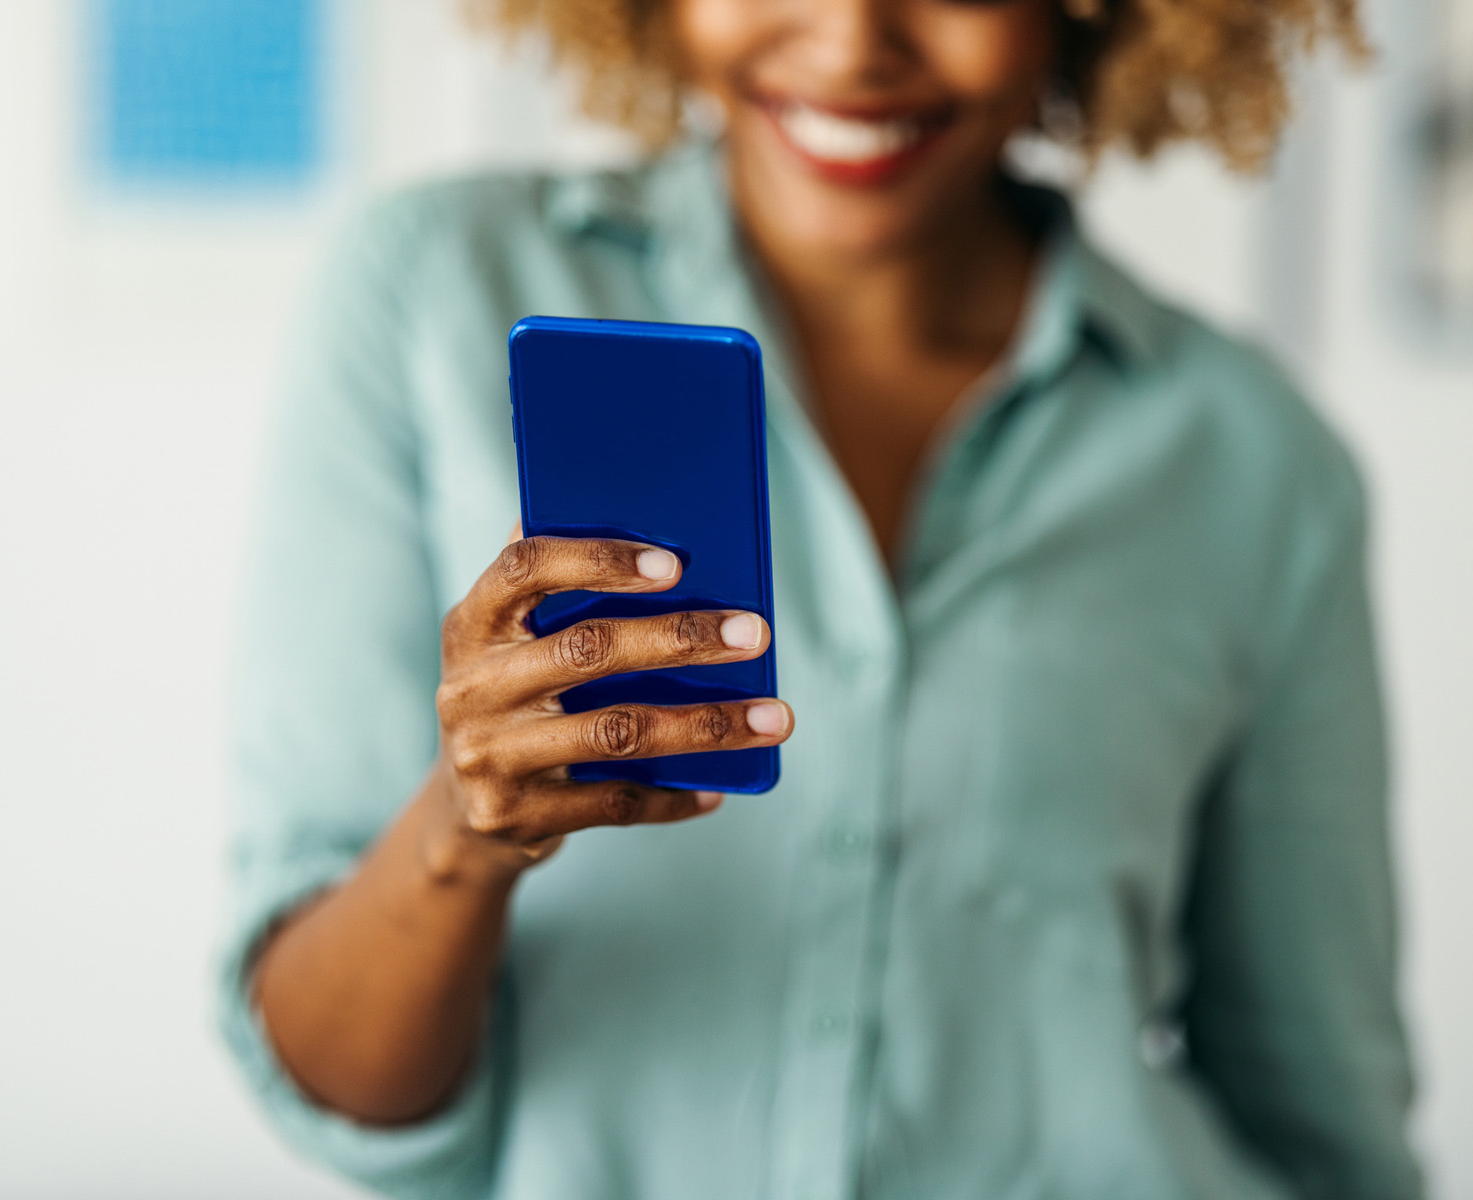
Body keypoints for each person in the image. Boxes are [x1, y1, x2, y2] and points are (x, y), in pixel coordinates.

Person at [218, 0, 1422, 1193]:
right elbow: (325, 1075)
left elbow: (1325, 1127)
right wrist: (460, 840)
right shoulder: (432, 296)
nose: (851, 43)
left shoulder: (1256, 463)